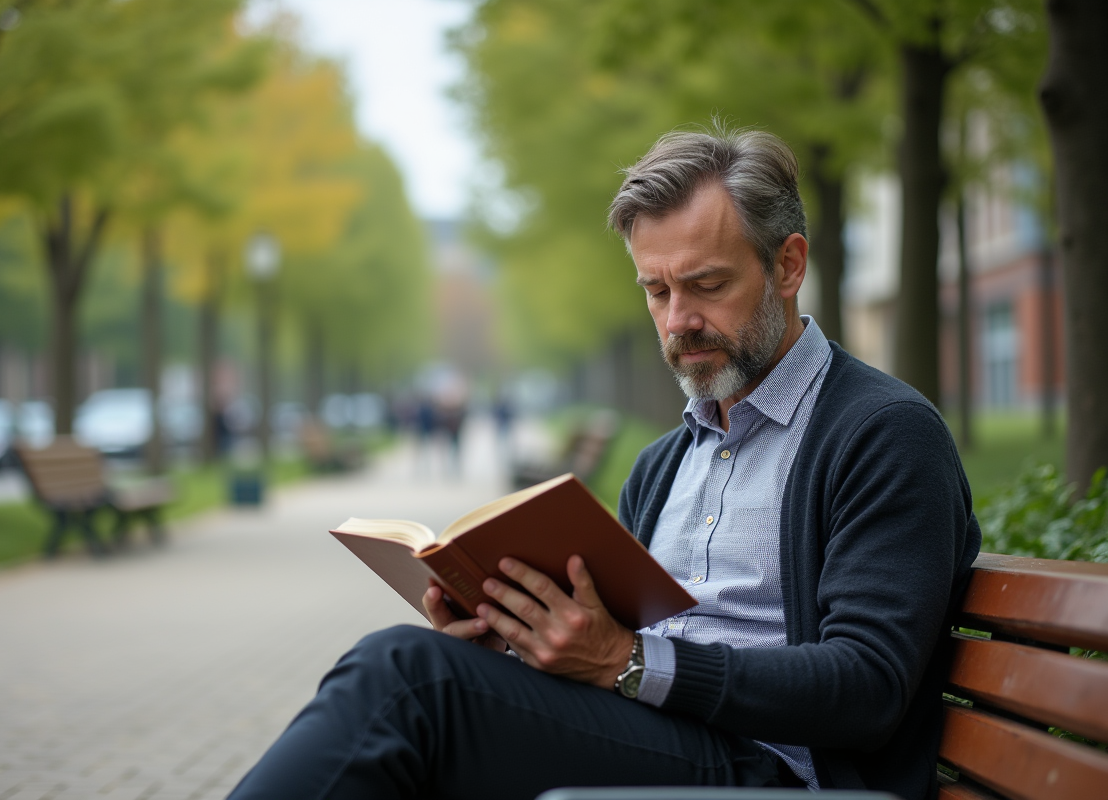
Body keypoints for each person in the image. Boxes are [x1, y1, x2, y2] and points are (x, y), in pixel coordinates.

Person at [226, 125, 981, 800]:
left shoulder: (882, 432)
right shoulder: (663, 464)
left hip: (782, 773)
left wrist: (626, 660)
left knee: (405, 683)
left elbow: (867, 685)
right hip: (663, 743)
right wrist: (521, 640)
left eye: (707, 285)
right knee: (417, 689)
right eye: (656, 290)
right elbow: (614, 653)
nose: (679, 320)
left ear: (788, 266)